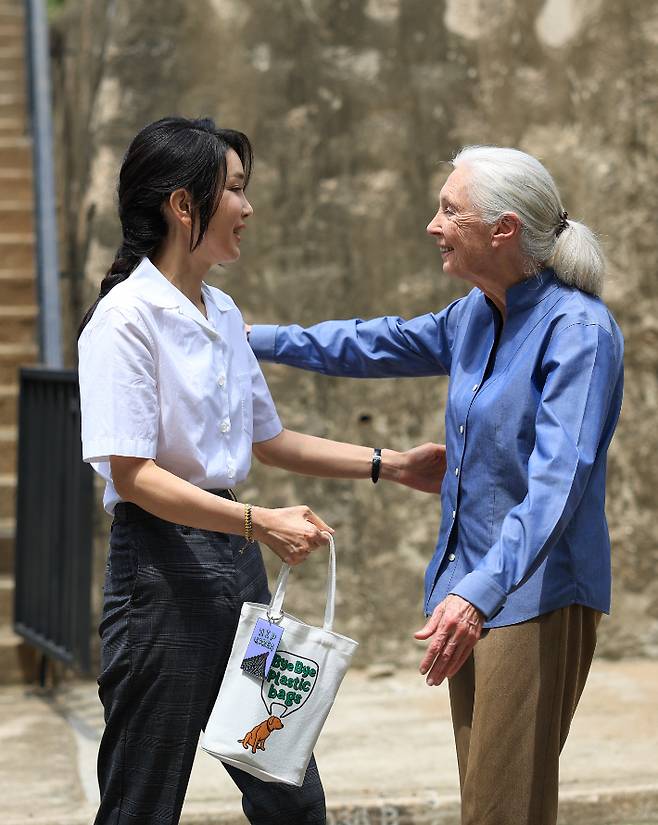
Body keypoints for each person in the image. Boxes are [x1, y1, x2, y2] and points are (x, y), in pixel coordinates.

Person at [76, 116, 444, 825]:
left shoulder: (220, 309)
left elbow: (269, 440)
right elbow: (132, 475)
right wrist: (258, 519)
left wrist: (390, 463)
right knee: (142, 800)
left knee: (287, 786)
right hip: (158, 573)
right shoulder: (125, 320)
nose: (247, 208)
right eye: (236, 190)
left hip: (234, 571)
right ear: (184, 205)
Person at [248, 146, 624, 825]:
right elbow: (373, 342)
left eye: (450, 210)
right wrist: (254, 338)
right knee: (485, 801)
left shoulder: (579, 331)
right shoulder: (477, 312)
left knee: (505, 808)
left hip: (535, 590)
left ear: (503, 228)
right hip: (471, 590)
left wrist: (477, 595)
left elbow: (556, 485)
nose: (432, 223)